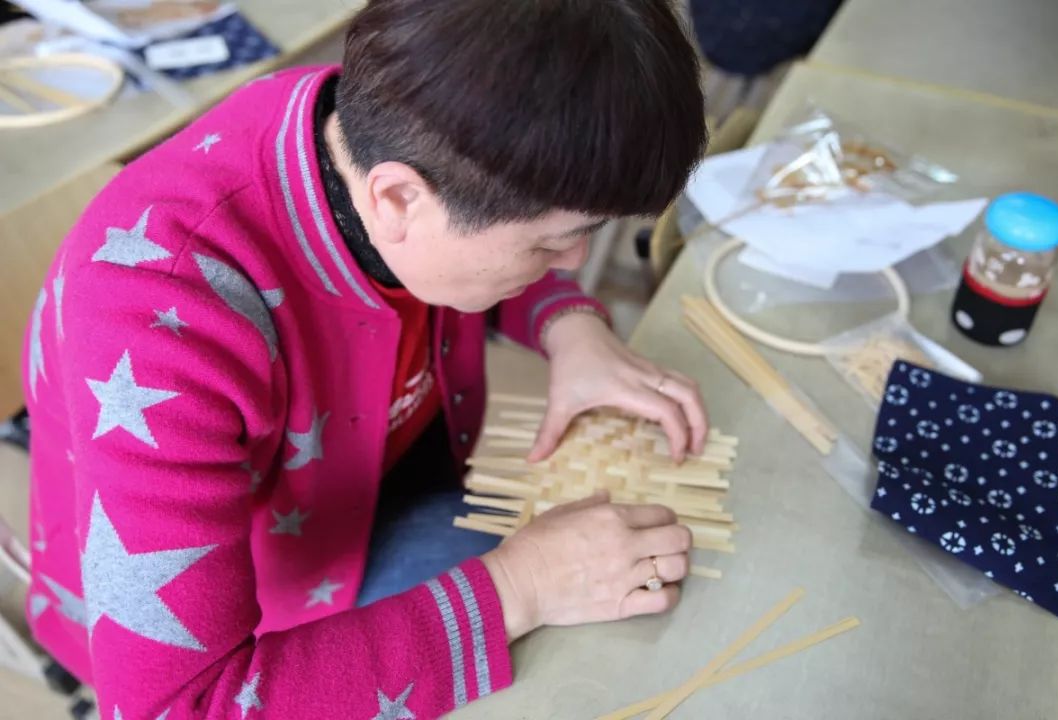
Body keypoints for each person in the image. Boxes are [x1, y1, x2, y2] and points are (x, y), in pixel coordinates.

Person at [21, 1, 708, 717]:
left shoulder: (389, 124)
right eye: (553, 245)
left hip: (374, 473)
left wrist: (569, 324)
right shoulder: (159, 321)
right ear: (399, 198)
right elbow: (178, 704)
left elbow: (473, 226)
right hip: (263, 599)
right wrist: (521, 587)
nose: (573, 261)